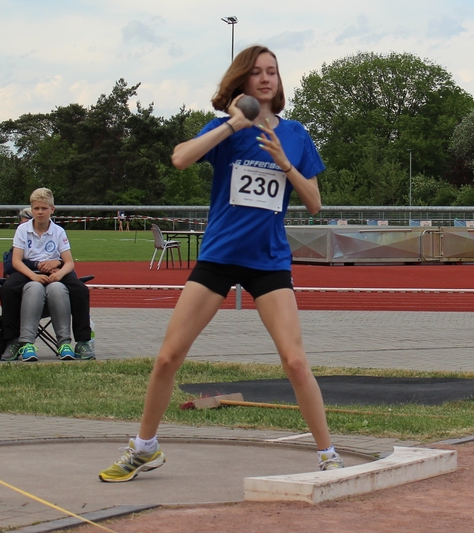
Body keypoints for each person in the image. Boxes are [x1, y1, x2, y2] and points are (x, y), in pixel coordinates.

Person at [98, 45, 343, 483]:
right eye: (257, 72)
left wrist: (286, 164)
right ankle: (144, 448)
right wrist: (233, 124)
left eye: (272, 72)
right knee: (168, 357)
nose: (266, 79)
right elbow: (180, 158)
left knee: (295, 361)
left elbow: (315, 203)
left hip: (268, 261)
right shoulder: (227, 129)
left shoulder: (296, 134)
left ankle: (328, 455)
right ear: (243, 80)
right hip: (220, 256)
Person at [0, 188, 94, 361]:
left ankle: (82, 342)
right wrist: (33, 276)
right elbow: (16, 261)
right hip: (29, 272)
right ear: (31, 210)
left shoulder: (58, 231)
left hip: (54, 272)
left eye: (44, 208)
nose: (40, 212)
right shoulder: (22, 230)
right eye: (36, 208)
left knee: (81, 290)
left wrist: (59, 274)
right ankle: (13, 341)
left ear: (52, 209)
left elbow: (69, 262)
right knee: (7, 289)